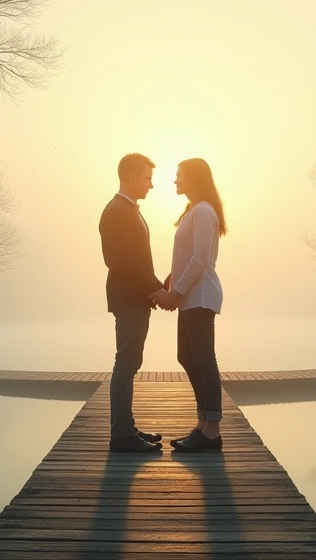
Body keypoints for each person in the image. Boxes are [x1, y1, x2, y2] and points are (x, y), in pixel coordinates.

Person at [152, 158, 227, 453]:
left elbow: (200, 259)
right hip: (189, 296)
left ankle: (212, 431)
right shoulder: (193, 210)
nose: (175, 180)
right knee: (186, 356)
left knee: (204, 360)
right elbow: (187, 256)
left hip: (201, 296)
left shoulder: (204, 211)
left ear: (194, 178)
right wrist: (172, 278)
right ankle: (203, 424)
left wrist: (175, 293)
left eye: (180, 176)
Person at [98, 153, 164, 453]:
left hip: (134, 297)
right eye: (148, 178)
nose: (151, 185)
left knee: (130, 362)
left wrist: (155, 286)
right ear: (132, 177)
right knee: (126, 364)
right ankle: (122, 436)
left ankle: (126, 427)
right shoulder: (117, 211)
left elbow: (135, 259)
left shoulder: (127, 210)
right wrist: (155, 288)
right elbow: (123, 260)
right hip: (128, 298)